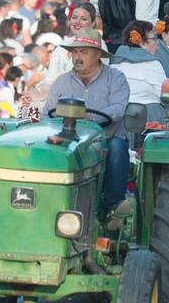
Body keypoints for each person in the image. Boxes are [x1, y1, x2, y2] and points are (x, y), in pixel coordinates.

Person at [42, 29, 131, 212]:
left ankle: (113, 206)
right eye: (75, 52)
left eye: (84, 52)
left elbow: (118, 109)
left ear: (98, 54)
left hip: (103, 141)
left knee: (117, 146)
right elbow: (46, 115)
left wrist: (90, 117)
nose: (77, 57)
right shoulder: (61, 82)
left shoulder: (116, 78)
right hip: (68, 140)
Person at [110, 20, 169, 126]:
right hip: (149, 118)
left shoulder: (115, 62)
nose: (158, 43)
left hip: (119, 120)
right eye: (154, 39)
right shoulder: (152, 63)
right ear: (142, 43)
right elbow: (166, 97)